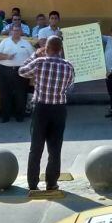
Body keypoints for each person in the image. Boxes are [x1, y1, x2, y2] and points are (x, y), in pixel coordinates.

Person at [18, 36, 75, 192]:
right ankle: (51, 183)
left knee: (36, 148)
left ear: (46, 49)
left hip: (41, 108)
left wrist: (36, 54)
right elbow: (70, 85)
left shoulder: (39, 62)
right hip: (59, 109)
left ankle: (33, 184)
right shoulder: (68, 66)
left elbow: (21, 71)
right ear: (61, 49)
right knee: (55, 149)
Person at [0, 24, 35, 123]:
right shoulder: (5, 41)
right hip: (5, 70)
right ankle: (5, 117)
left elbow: (33, 56)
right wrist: (7, 57)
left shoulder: (26, 43)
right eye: (14, 30)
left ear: (21, 32)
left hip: (21, 71)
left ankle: (20, 116)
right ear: (11, 31)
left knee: (21, 95)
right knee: (4, 94)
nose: (16, 32)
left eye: (18, 30)